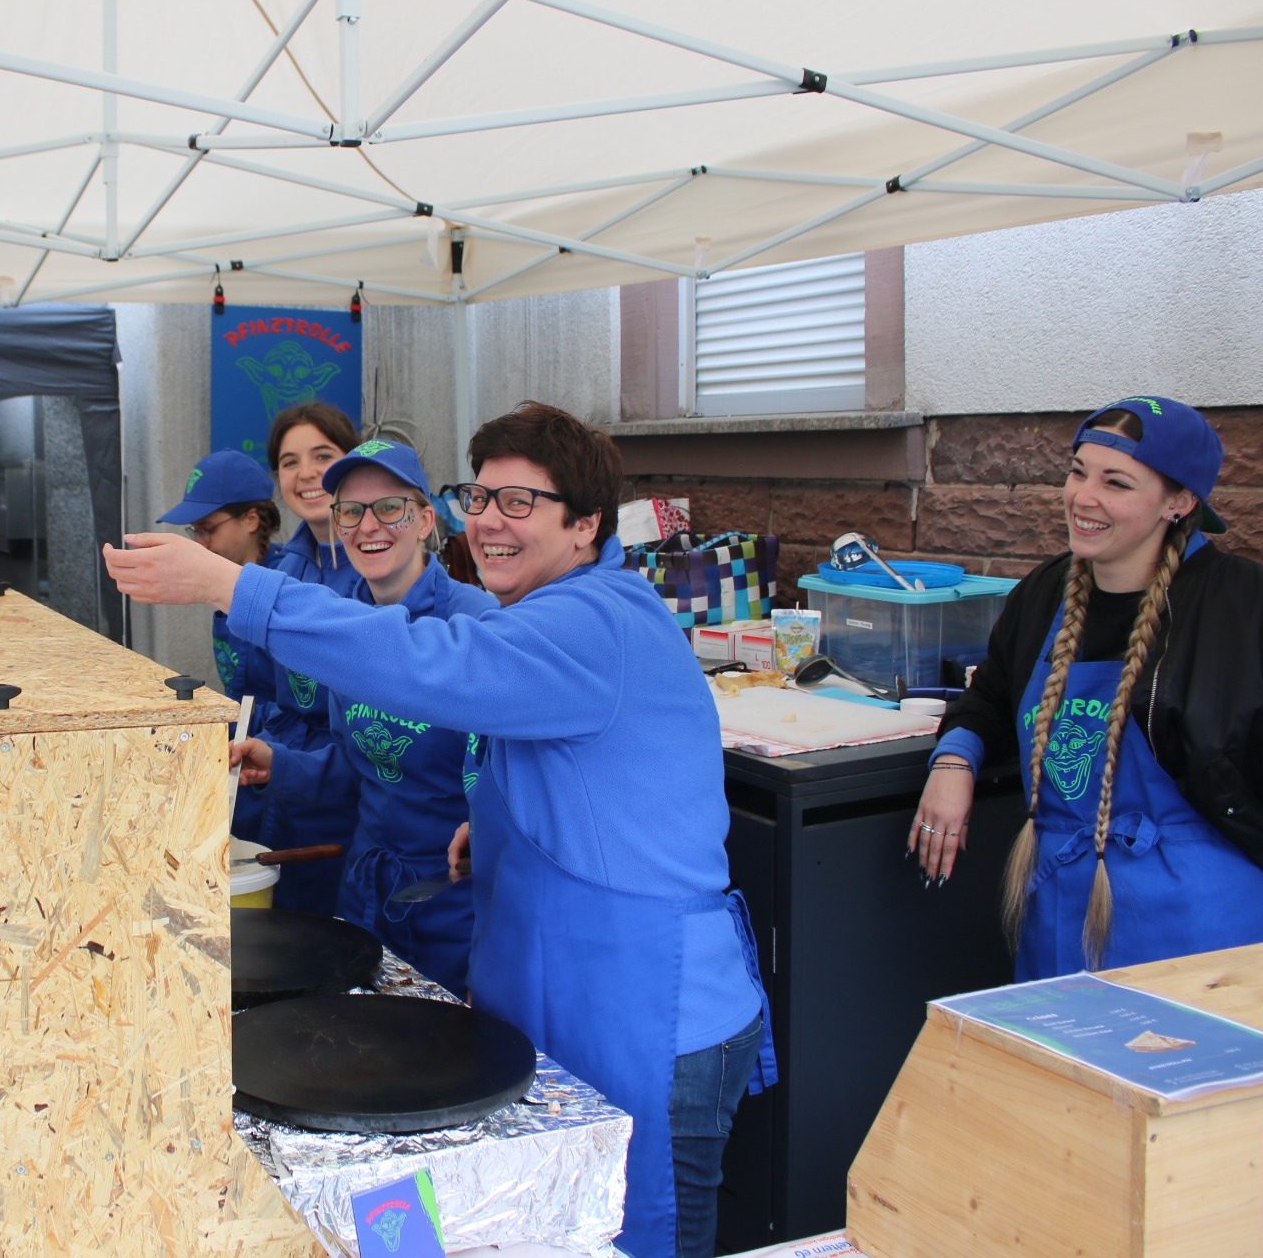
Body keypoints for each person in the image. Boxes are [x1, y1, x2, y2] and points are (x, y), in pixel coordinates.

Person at [106, 402, 774, 1258]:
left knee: (641, 1239)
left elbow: (436, 667)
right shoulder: (550, 607)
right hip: (567, 993)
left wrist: (233, 586)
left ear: (586, 523)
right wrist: (490, 818)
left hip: (647, 1010)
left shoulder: (594, 619)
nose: (490, 520)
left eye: (520, 502)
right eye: (481, 497)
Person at [912, 396, 1263, 980]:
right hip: (1061, 913)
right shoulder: (1046, 592)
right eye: (1078, 472)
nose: (1083, 497)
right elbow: (992, 694)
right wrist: (954, 763)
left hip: (1206, 933)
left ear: (1180, 502)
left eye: (1116, 482)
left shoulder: (1254, 609)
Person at [229, 442, 495, 991]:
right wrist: (281, 764)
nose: (368, 525)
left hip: (454, 906)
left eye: (389, 508)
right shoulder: (343, 626)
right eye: (350, 511)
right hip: (364, 897)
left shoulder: (476, 624)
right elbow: (360, 768)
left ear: (425, 521)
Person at [255, 403, 365, 913]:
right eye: (289, 461)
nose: (306, 473)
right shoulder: (284, 573)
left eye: (323, 456)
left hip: (352, 798)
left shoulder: (379, 570)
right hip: (287, 788)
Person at [156, 450, 283, 841]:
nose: (201, 542)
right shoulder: (228, 584)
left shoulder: (286, 592)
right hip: (238, 760)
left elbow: (299, 710)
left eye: (208, 529)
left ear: (251, 520)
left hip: (278, 774)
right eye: (195, 531)